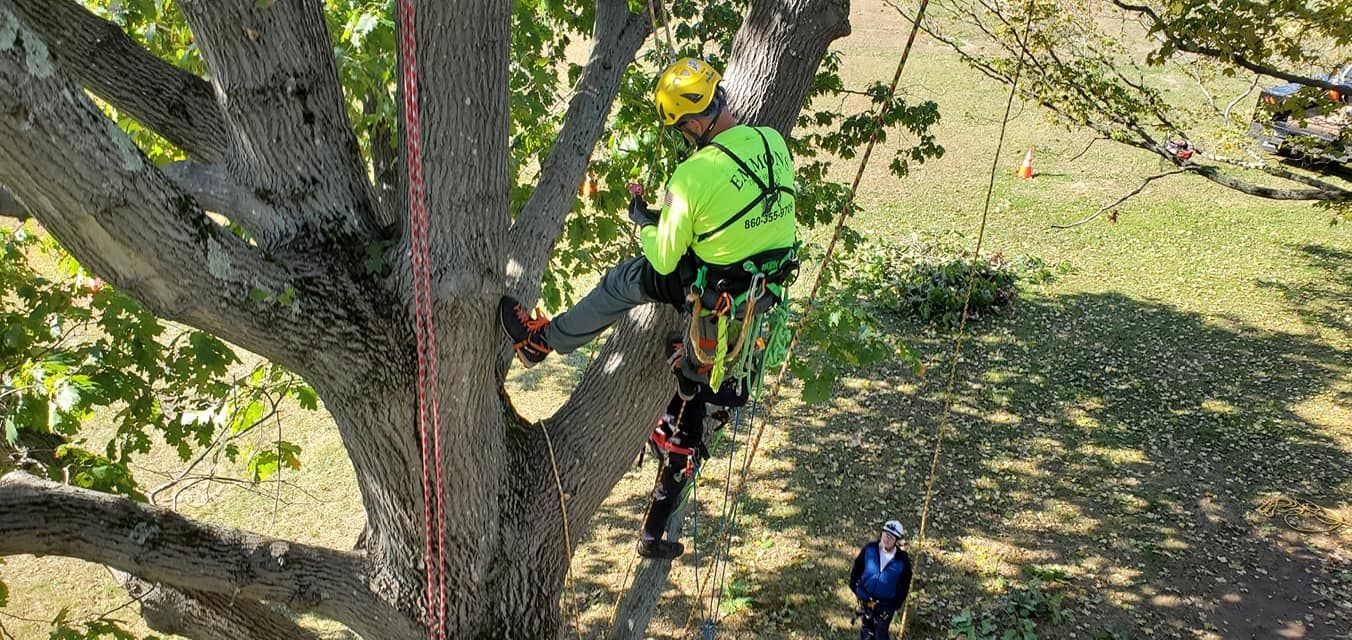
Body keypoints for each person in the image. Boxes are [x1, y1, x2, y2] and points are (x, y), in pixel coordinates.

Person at [498, 58, 799, 559]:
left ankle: (540, 341)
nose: (684, 135)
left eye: (682, 127)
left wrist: (645, 220)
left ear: (694, 123)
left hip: (710, 286)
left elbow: (663, 254)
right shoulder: (772, 142)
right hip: (759, 290)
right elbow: (732, 212)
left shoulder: (692, 174)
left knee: (624, 280)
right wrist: (675, 217)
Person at [849, 520, 914, 640]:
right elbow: (857, 567)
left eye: (891, 537)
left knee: (881, 633)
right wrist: (855, 588)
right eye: (885, 534)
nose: (887, 538)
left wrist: (896, 603)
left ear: (896, 541)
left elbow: (905, 583)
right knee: (867, 630)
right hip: (866, 599)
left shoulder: (902, 560)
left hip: (886, 604)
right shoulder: (870, 549)